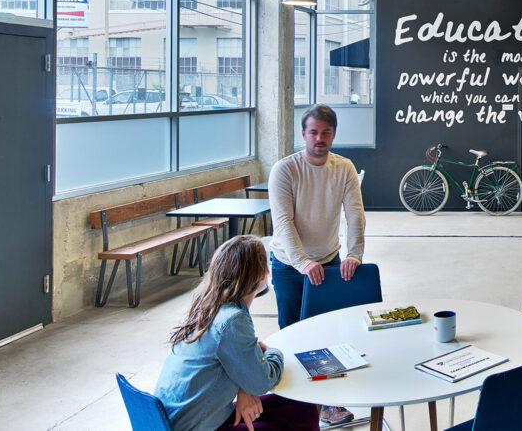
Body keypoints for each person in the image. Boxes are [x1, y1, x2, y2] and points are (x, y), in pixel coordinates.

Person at [155, 235, 319, 431]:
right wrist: (274, 353)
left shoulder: (208, 305)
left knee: (302, 406)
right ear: (261, 275)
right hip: (199, 425)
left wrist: (244, 387)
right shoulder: (232, 321)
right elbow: (261, 381)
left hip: (181, 417)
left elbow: (241, 368)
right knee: (295, 418)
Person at [268, 104, 366, 426]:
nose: (319, 138)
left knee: (327, 334)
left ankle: (328, 405)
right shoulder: (285, 169)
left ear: (333, 134)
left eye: (326, 133)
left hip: (328, 259)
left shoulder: (345, 168)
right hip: (288, 264)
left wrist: (354, 254)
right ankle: (295, 405)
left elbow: (355, 214)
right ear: (303, 134)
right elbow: (283, 222)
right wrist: (302, 262)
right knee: (292, 333)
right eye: (314, 132)